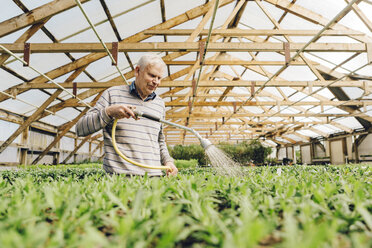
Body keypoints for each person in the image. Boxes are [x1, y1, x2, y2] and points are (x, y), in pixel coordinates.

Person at [76, 53, 178, 176]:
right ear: (137, 71)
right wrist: (109, 112)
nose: (156, 82)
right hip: (120, 180)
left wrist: (168, 162)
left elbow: (159, 141)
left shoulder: (160, 104)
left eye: (159, 78)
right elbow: (80, 129)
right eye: (151, 75)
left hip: (153, 178)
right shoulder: (112, 94)